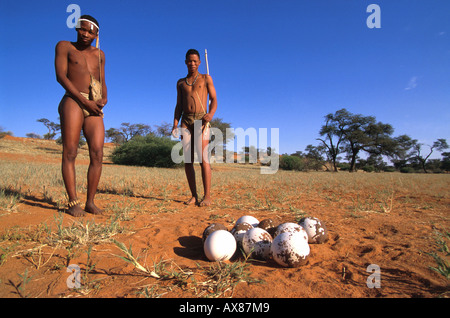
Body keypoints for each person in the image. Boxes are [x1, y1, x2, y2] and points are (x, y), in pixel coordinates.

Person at [55, 15, 107, 216]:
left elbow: (102, 80)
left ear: (96, 34)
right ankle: (72, 202)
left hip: (94, 104)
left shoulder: (100, 54)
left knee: (97, 152)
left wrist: (104, 99)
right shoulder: (64, 46)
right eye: (81, 29)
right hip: (73, 100)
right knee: (70, 152)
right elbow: (60, 76)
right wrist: (84, 101)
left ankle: (91, 202)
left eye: (90, 31)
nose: (85, 34)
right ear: (76, 29)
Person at [172, 49, 217, 206]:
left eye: (195, 61)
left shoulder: (206, 78)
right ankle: (193, 196)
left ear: (199, 62)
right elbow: (179, 105)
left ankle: (207, 196)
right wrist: (175, 124)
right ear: (185, 62)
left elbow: (214, 99)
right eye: (189, 61)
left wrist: (210, 114)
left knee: (203, 159)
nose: (192, 63)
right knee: (188, 160)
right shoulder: (180, 83)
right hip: (186, 120)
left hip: (201, 120)